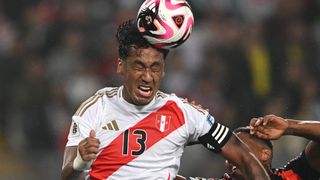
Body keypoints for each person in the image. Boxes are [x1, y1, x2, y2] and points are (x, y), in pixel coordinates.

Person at [61, 19, 270, 180]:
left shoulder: (184, 113)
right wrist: (80, 161)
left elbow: (244, 156)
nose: (147, 76)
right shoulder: (96, 107)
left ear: (163, 71)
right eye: (138, 66)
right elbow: (66, 174)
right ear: (120, 66)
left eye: (155, 68)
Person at [178, 114, 320, 180]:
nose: (229, 159)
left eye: (241, 147)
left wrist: (289, 127)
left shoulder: (293, 176)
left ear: (265, 154)